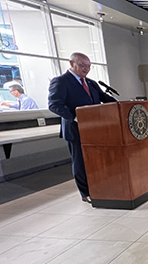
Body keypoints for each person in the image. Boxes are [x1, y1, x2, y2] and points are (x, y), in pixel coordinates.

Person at [48, 52, 116, 203]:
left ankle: (99, 186)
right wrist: (74, 116)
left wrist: (122, 105)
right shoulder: (61, 81)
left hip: (95, 129)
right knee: (81, 162)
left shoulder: (91, 83)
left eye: (89, 66)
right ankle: (86, 193)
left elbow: (105, 99)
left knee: (96, 160)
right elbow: (54, 105)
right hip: (76, 130)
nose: (86, 69)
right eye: (83, 65)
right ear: (72, 64)